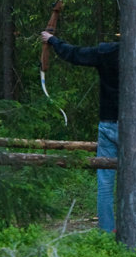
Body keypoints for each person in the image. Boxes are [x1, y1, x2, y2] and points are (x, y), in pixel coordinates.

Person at [40, 30, 120, 232]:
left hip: (110, 123)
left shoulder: (107, 52)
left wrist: (52, 40)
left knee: (105, 181)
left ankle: (106, 232)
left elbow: (74, 53)